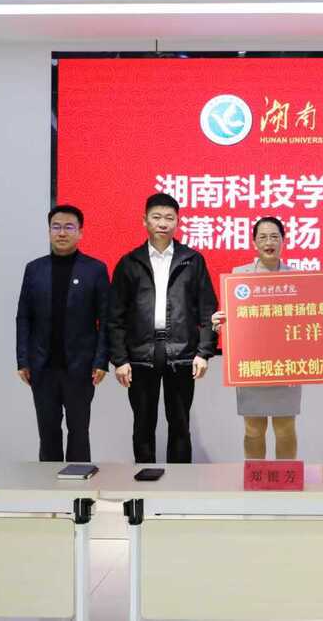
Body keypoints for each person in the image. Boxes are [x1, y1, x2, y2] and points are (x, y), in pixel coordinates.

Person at [107, 193, 217, 463]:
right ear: (144, 220)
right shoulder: (129, 262)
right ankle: (144, 480)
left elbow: (208, 310)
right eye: (156, 217)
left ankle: (179, 485)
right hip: (141, 354)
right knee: (143, 425)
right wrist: (120, 359)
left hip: (182, 353)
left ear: (178, 222)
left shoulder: (192, 260)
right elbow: (115, 316)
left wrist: (204, 352)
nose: (163, 223)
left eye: (169, 218)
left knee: (180, 424)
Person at [15, 204, 109, 462]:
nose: (62, 233)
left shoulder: (95, 269)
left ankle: (78, 481)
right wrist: (23, 360)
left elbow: (106, 320)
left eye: (69, 227)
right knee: (47, 433)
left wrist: (101, 361)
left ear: (80, 232)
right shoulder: (34, 269)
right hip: (42, 366)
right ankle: (48, 484)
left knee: (79, 432)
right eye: (56, 227)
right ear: (49, 232)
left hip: (81, 366)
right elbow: (24, 317)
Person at [212, 217, 300, 460]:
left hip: (286, 365)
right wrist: (219, 323)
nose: (269, 242)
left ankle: (285, 477)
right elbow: (231, 319)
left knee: (285, 429)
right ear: (254, 242)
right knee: (253, 429)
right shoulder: (239, 275)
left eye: (274, 237)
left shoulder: (296, 277)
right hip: (251, 365)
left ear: (283, 240)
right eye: (263, 237)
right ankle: (256, 476)